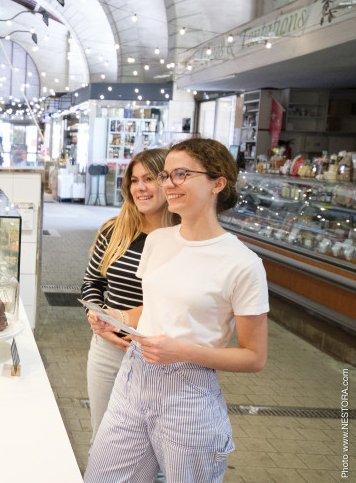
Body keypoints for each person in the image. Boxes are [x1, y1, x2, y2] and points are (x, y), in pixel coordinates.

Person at [84, 138, 269, 482]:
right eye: (167, 175)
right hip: (132, 378)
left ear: (218, 183)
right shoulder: (159, 241)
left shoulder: (243, 264)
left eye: (181, 174)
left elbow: (254, 357)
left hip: (188, 393)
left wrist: (181, 351)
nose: (168, 184)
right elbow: (154, 308)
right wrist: (117, 319)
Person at [80, 149, 178, 462]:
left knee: (156, 452)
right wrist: (98, 319)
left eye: (150, 178)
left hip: (159, 357)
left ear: (169, 182)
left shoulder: (183, 238)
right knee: (104, 442)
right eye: (134, 180)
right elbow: (91, 285)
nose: (140, 187)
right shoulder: (114, 230)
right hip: (108, 352)